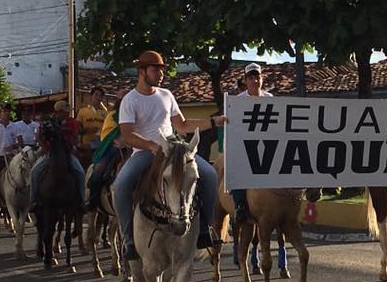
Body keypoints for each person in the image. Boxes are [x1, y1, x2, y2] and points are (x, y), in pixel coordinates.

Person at [113, 50, 226, 260]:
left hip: (173, 150)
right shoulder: (130, 100)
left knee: (209, 174)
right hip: (146, 153)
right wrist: (150, 146)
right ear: (142, 71)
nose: (160, 74)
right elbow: (127, 134)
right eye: (155, 70)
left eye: (161, 70)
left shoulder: (167, 95)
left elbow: (182, 126)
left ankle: (205, 231)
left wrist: (212, 122)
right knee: (121, 185)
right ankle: (128, 238)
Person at [231, 63, 273, 224]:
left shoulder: (269, 98)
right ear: (246, 80)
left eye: (257, 77)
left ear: (262, 79)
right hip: (245, 144)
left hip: (268, 143)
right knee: (239, 170)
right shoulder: (238, 101)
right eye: (251, 78)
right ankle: (240, 205)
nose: (255, 81)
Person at [28, 101, 86, 212]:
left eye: (68, 111)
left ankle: (82, 200)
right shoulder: (48, 122)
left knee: (81, 172)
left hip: (67, 152)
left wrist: (73, 144)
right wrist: (43, 146)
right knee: (34, 172)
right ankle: (33, 199)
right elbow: (40, 136)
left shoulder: (72, 122)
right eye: (65, 112)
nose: (67, 114)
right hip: (50, 152)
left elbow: (75, 137)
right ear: (58, 112)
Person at [85, 88, 127, 211]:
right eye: (123, 101)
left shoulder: (137, 114)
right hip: (115, 146)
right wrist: (119, 140)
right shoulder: (112, 116)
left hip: (134, 145)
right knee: (100, 169)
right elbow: (107, 134)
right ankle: (93, 198)